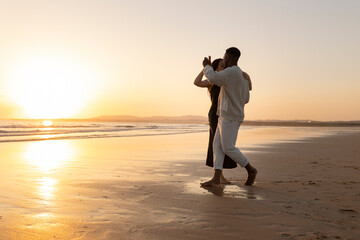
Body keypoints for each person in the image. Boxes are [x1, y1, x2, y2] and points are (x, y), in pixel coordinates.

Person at [200, 47, 257, 187]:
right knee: (217, 146)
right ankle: (216, 178)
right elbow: (246, 99)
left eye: (225, 57)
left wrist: (206, 65)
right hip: (226, 116)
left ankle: (251, 169)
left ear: (229, 58)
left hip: (230, 117)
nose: (223, 59)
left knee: (228, 148)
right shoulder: (243, 76)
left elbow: (212, 77)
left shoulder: (231, 72)